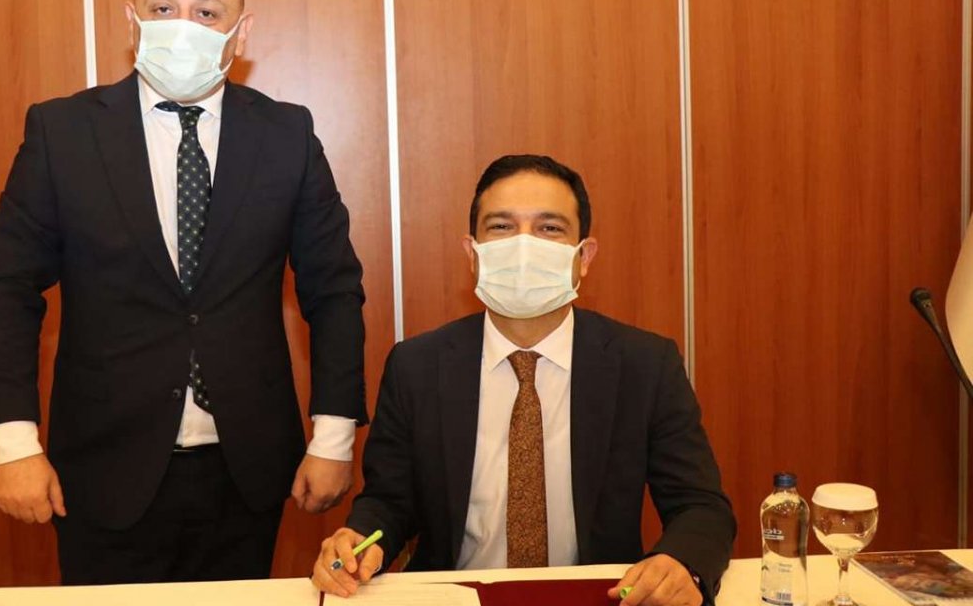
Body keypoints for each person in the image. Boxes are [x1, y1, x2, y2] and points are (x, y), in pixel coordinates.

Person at [0, 0, 367, 584]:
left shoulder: (287, 135)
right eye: (162, 9)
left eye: (207, 12)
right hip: (102, 470)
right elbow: (9, 289)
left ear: (240, 32)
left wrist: (334, 439)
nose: (183, 26)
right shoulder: (63, 132)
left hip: (247, 471)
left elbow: (334, 291)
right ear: (132, 22)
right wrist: (15, 444)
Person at [311, 155, 735, 606]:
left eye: (549, 228)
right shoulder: (416, 366)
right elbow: (390, 502)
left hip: (598, 596)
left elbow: (700, 507)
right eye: (501, 227)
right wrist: (358, 541)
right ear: (472, 255)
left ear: (584, 257)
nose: (524, 245)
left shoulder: (645, 364)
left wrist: (681, 562)